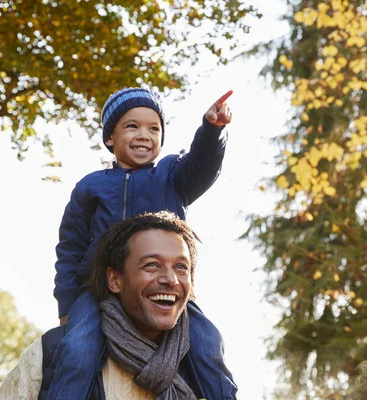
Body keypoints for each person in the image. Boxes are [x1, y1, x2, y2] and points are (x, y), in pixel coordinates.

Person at [50, 87, 236, 399]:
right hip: (97, 290)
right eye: (132, 126)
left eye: (154, 128)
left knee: (209, 342)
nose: (144, 135)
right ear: (110, 138)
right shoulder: (90, 187)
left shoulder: (171, 176)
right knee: (77, 348)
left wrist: (212, 130)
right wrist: (67, 305)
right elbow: (70, 248)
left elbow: (203, 165)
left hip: (166, 287)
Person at [0, 211, 216, 399]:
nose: (171, 279)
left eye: (181, 267)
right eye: (152, 265)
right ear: (114, 280)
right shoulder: (50, 354)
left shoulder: (205, 370)